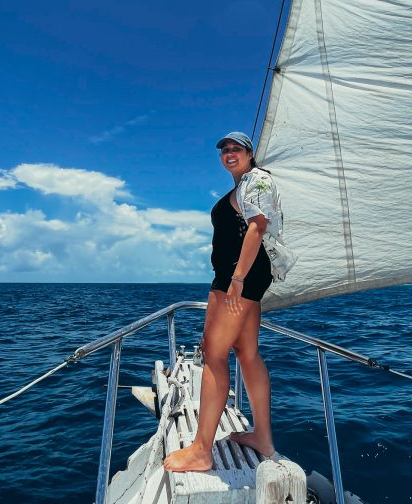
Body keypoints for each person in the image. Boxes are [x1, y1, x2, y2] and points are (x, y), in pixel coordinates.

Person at [163, 131, 278, 472]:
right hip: (243, 278)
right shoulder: (243, 186)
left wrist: (236, 280)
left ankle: (201, 450)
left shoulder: (258, 180)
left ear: (249, 153)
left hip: (237, 279)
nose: (229, 153)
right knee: (247, 352)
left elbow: (258, 227)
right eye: (225, 149)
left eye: (236, 148)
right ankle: (263, 438)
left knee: (213, 353)